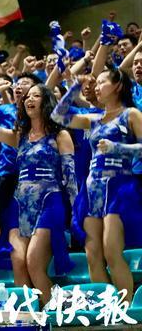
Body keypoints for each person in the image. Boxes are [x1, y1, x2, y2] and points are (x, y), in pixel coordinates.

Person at [52, 69, 142, 301]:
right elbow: (58, 115)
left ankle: (126, 307)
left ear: (118, 86)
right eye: (96, 82)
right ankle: (107, 306)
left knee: (112, 252)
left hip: (119, 187)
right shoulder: (93, 118)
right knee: (93, 255)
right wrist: (74, 87)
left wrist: (118, 148)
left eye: (102, 82)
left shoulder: (131, 114)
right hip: (93, 189)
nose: (97, 87)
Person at [0, 84, 77, 303]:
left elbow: (71, 178)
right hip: (19, 204)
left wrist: (75, 213)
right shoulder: (20, 136)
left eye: (36, 95)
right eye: (27, 96)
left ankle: (54, 312)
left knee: (34, 262)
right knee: (18, 261)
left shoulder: (60, 135)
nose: (29, 99)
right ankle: (28, 315)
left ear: (47, 102)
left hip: (49, 201)